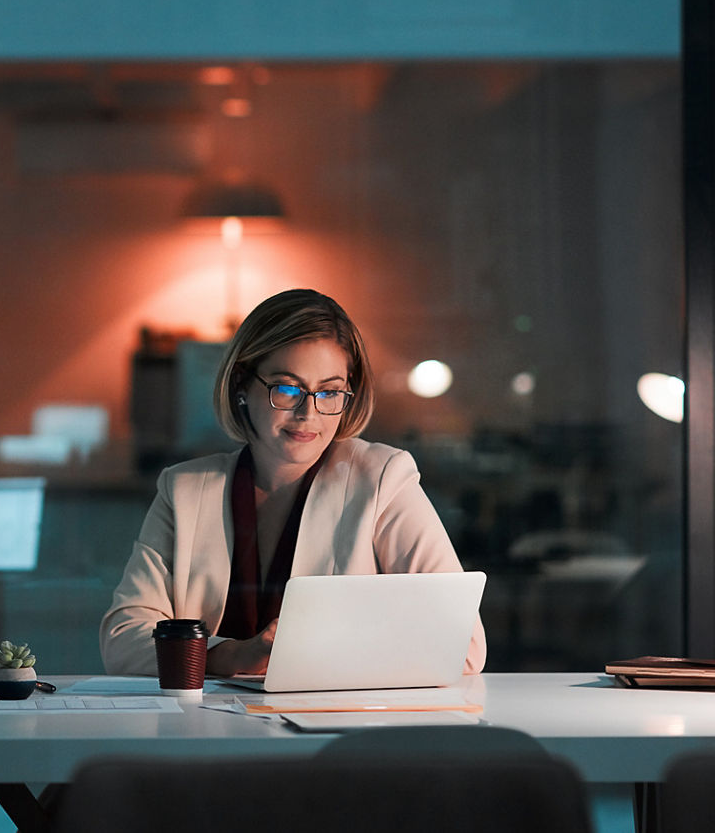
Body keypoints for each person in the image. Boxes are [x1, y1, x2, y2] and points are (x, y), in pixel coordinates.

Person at [100, 289, 486, 677]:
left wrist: (309, 657)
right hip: (206, 716)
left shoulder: (383, 479)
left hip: (332, 714)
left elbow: (463, 645)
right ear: (241, 384)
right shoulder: (184, 489)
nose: (308, 413)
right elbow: (122, 638)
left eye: (329, 392)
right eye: (287, 389)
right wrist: (229, 656)